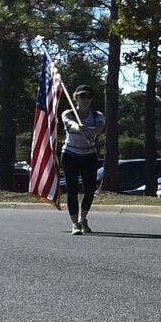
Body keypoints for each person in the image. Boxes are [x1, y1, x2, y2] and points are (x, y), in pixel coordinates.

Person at [59, 86, 105, 236]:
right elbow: (68, 122)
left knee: (90, 189)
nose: (86, 99)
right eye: (82, 96)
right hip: (70, 154)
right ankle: (75, 223)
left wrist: (88, 129)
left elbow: (99, 128)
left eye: (89, 96)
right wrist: (76, 126)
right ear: (76, 98)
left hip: (89, 155)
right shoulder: (69, 113)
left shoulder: (97, 115)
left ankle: (83, 218)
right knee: (72, 189)